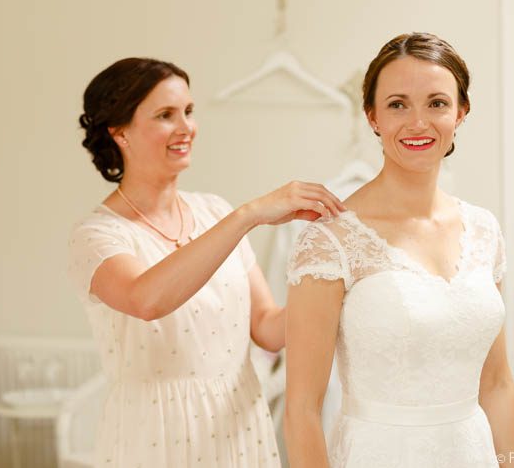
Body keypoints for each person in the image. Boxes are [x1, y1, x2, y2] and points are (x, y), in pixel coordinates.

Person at [68, 57, 344, 467]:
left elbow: (268, 329)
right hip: (155, 438)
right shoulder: (97, 235)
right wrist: (250, 214)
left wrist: (340, 282)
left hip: (239, 428)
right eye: (166, 115)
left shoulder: (214, 211)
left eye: (188, 111)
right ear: (119, 131)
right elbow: (147, 300)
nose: (186, 128)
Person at [283, 33, 514, 467]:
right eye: (398, 104)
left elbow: (497, 385)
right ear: (372, 116)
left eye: (437, 103)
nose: (418, 123)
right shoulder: (330, 240)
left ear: (461, 112)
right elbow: (301, 409)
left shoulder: (484, 230)